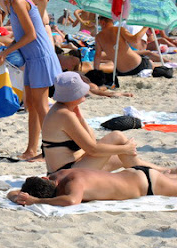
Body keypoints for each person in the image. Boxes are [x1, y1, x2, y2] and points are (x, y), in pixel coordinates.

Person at [0, 0, 60, 160]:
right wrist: (4, 48)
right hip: (31, 57)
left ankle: (49, 150)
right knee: (31, 105)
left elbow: (31, 34)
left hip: (40, 56)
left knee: (41, 106)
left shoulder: (17, 1)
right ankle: (31, 149)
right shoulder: (11, 2)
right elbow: (21, 34)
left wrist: (7, 51)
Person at [40, 72, 171, 175]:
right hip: (65, 173)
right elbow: (93, 149)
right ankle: (160, 174)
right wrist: (125, 148)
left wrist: (80, 119)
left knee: (123, 157)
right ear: (73, 94)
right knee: (117, 137)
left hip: (76, 165)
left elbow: (91, 142)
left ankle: (161, 171)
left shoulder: (65, 110)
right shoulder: (64, 115)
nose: (85, 95)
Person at [9, 167, 177, 207]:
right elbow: (12, 193)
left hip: (148, 184)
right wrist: (19, 196)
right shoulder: (56, 175)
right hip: (135, 174)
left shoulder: (73, 183)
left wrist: (36, 201)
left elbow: (72, 200)